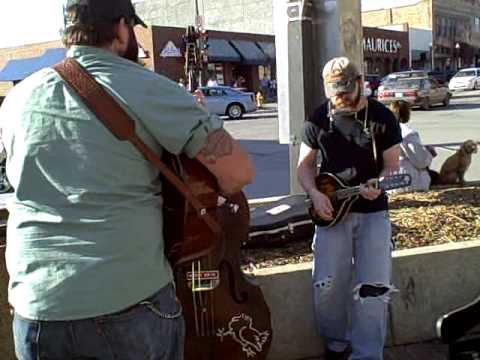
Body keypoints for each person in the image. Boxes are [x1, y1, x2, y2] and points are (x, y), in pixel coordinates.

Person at [0, 1, 255, 359]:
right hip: (127, 302)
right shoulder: (146, 86)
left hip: (37, 309)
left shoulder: (18, 98)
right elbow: (238, 173)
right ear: (122, 29)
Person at [297, 57, 402, 360]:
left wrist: (379, 183)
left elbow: (393, 167)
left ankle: (368, 354)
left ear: (360, 82)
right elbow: (304, 166)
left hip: (372, 213)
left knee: (373, 288)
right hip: (331, 214)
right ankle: (336, 344)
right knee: (326, 284)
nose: (340, 96)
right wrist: (315, 193)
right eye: (334, 90)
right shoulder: (319, 118)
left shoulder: (382, 117)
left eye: (345, 89)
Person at [388, 100, 437, 192]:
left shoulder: (385, 129)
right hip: (407, 180)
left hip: (388, 180)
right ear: (407, 114)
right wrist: (429, 153)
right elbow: (420, 161)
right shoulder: (408, 133)